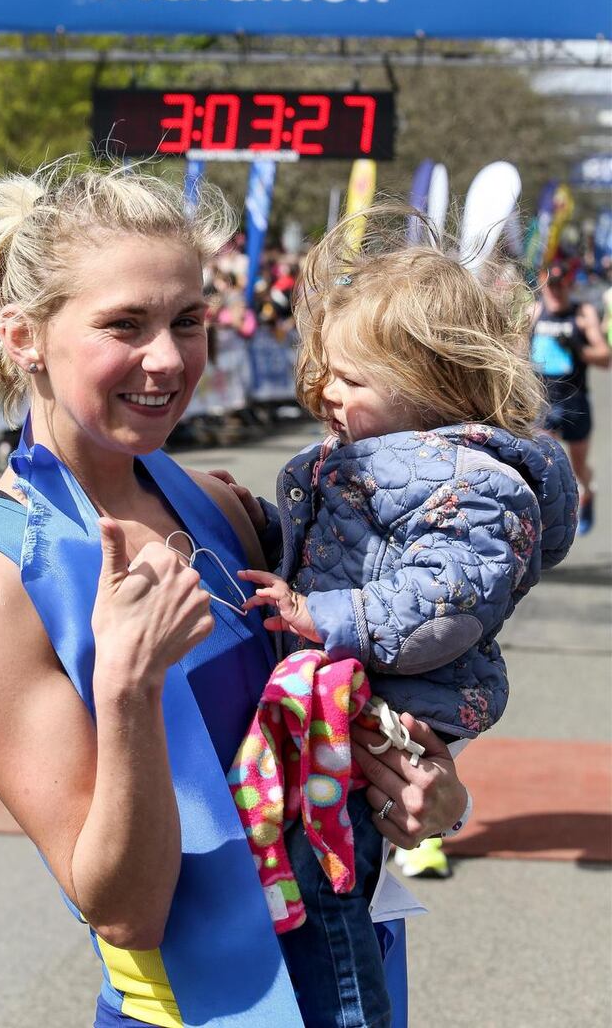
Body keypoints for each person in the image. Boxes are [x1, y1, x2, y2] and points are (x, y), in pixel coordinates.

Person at [0, 163, 472, 1028]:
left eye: (189, 320)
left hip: (350, 979)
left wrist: (422, 779)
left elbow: (335, 708)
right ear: (24, 336)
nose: (169, 358)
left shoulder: (217, 504)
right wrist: (129, 688)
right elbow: (126, 911)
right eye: (124, 325)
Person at [214, 218, 578, 1027]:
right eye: (323, 372)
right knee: (314, 873)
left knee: (330, 888)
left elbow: (441, 602)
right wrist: (267, 527)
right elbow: (340, 552)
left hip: (394, 704)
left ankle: (350, 1011)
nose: (324, 393)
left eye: (348, 378)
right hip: (352, 683)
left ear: (430, 383)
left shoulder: (472, 483)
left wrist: (320, 614)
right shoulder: (381, 456)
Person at [531, 259, 611, 534]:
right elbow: (517, 357)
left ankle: (588, 491)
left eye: (560, 286)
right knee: (544, 463)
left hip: (575, 402)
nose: (555, 291)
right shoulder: (534, 311)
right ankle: (547, 523)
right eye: (550, 285)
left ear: (568, 284)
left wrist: (578, 347)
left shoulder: (583, 313)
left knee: (578, 466)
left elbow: (604, 357)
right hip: (544, 402)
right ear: (543, 283)